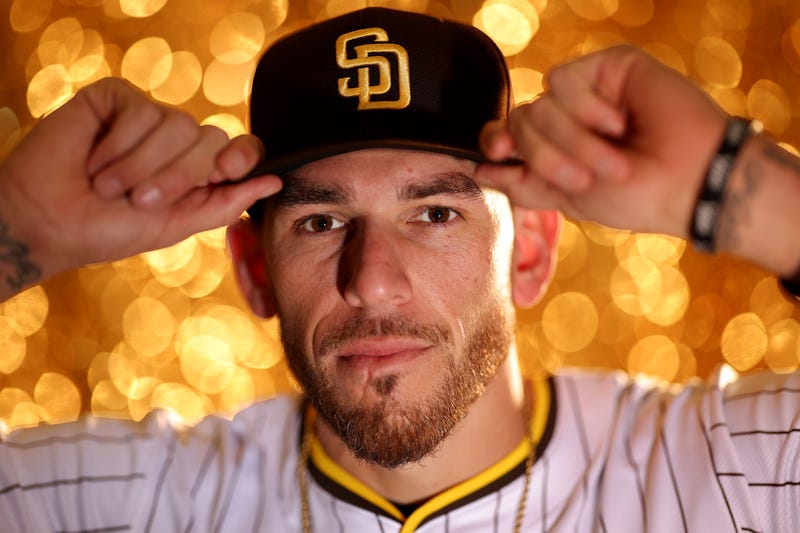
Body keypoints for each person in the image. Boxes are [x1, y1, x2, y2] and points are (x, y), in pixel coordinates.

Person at [0, 7, 798, 532]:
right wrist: (18, 228)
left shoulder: (727, 469)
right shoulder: (137, 500)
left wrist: (736, 188)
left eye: (435, 213)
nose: (373, 279)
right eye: (321, 221)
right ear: (256, 268)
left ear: (527, 249)